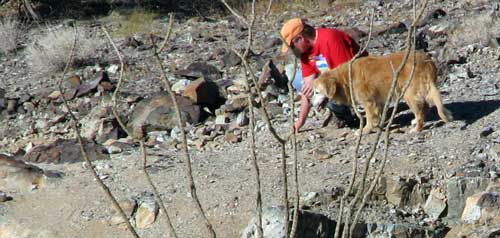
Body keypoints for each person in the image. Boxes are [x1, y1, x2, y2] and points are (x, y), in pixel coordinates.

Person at [280, 18, 368, 133]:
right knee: (296, 78)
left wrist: (321, 89)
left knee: (332, 98)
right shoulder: (306, 53)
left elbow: (347, 75)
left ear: (300, 39)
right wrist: (300, 121)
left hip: (360, 79)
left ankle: (359, 113)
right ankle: (345, 115)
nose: (292, 50)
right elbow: (307, 87)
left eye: (292, 46)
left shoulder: (330, 39)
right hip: (333, 81)